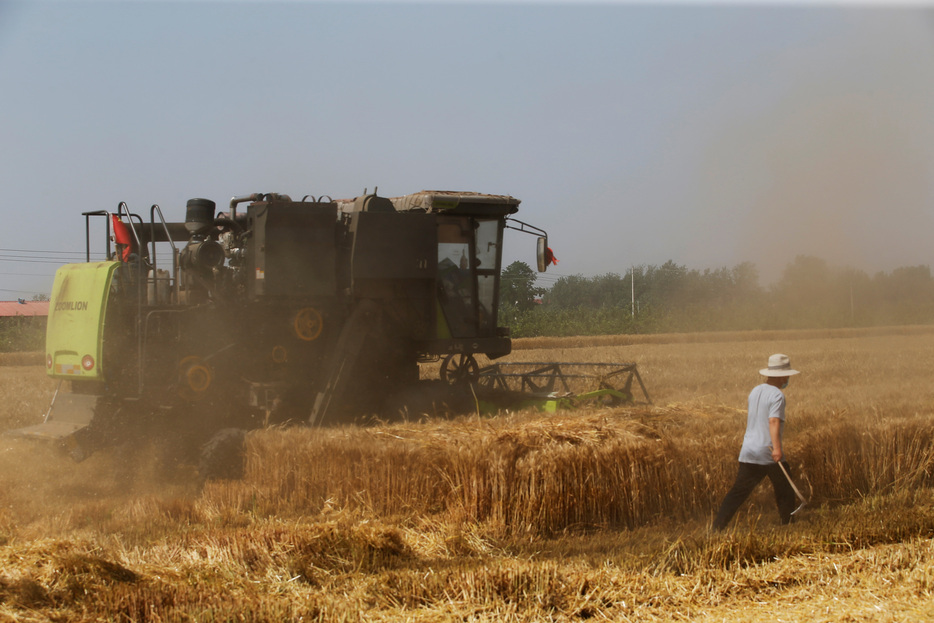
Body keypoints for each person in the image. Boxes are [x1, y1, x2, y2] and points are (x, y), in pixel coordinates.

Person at [713, 353, 800, 531]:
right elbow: (773, 421)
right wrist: (777, 449)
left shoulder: (755, 391)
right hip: (767, 451)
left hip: (748, 449)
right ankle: (788, 524)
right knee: (785, 488)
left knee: (738, 492)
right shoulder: (777, 396)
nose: (788, 378)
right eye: (787, 375)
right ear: (782, 375)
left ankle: (717, 527)